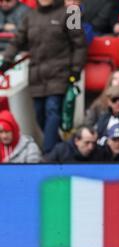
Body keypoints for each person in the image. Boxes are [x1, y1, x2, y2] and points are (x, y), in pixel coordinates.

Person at [0, 0, 86, 154]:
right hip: (37, 75)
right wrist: (7, 59)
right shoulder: (29, 15)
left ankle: (48, 154)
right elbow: (17, 40)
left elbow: (80, 44)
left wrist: (76, 69)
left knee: (52, 112)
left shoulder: (72, 12)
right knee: (40, 116)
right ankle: (61, 150)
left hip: (60, 73)